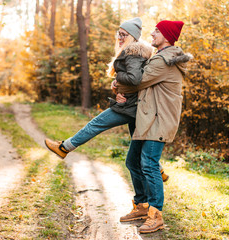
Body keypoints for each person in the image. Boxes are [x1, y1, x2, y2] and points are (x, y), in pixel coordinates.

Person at [44, 17, 169, 182]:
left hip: (130, 106)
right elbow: (134, 80)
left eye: (124, 34)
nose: (120, 37)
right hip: (134, 104)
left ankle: (64, 147)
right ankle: (158, 171)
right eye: (120, 34)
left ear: (132, 37)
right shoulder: (134, 52)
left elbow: (134, 78)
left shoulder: (133, 52)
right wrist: (117, 85)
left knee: (96, 124)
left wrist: (119, 78)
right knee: (138, 141)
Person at [117, 20, 192, 234]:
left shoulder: (164, 60)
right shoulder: (161, 56)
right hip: (149, 119)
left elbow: (138, 81)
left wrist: (116, 83)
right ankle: (141, 206)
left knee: (148, 164)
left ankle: (155, 214)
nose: (151, 33)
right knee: (133, 161)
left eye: (157, 31)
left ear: (167, 36)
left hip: (159, 120)